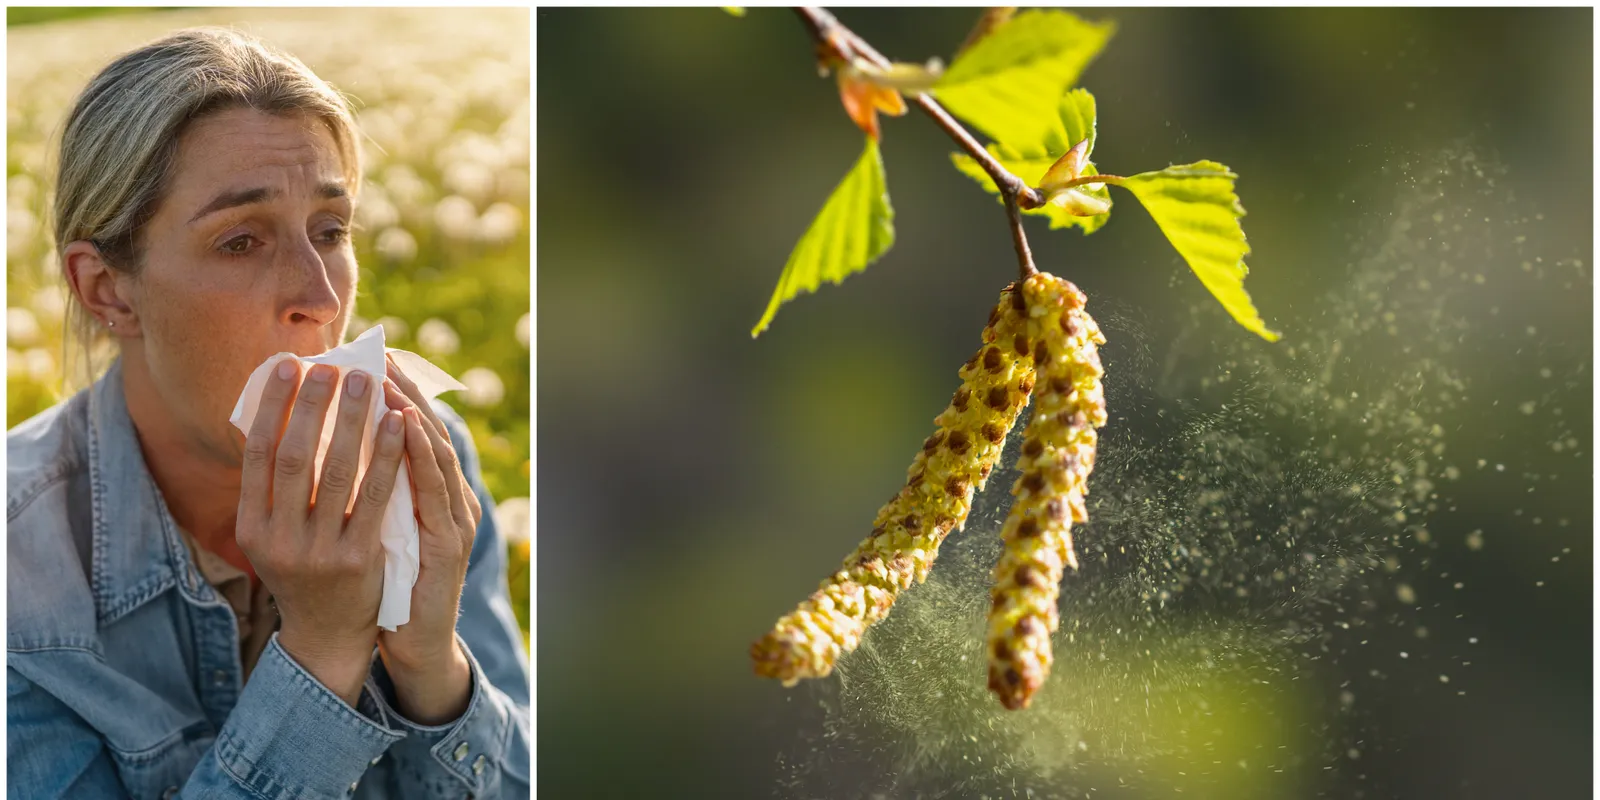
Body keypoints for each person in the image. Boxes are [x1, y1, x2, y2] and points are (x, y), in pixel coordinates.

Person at [6, 27, 530, 798]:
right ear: (107, 290)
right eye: (241, 242)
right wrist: (321, 653)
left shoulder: (422, 456)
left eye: (331, 231)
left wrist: (434, 671)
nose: (321, 299)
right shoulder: (21, 573)